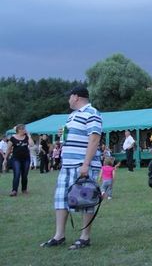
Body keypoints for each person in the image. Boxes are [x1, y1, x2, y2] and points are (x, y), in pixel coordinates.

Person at [40, 86, 102, 250]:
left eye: (70, 97)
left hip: (82, 164)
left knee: (86, 200)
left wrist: (86, 164)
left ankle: (85, 237)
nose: (68, 100)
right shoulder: (72, 116)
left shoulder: (92, 113)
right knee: (60, 199)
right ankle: (59, 236)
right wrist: (64, 133)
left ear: (76, 97)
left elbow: (94, 139)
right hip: (67, 165)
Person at [3, 124, 34, 196]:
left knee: (24, 174)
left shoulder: (26, 137)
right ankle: (14, 190)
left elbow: (32, 145)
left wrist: (29, 136)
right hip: (16, 159)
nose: (25, 130)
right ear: (19, 130)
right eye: (23, 129)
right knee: (17, 174)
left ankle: (24, 189)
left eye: (25, 129)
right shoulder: (12, 138)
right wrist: (5, 159)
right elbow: (8, 149)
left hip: (26, 159)